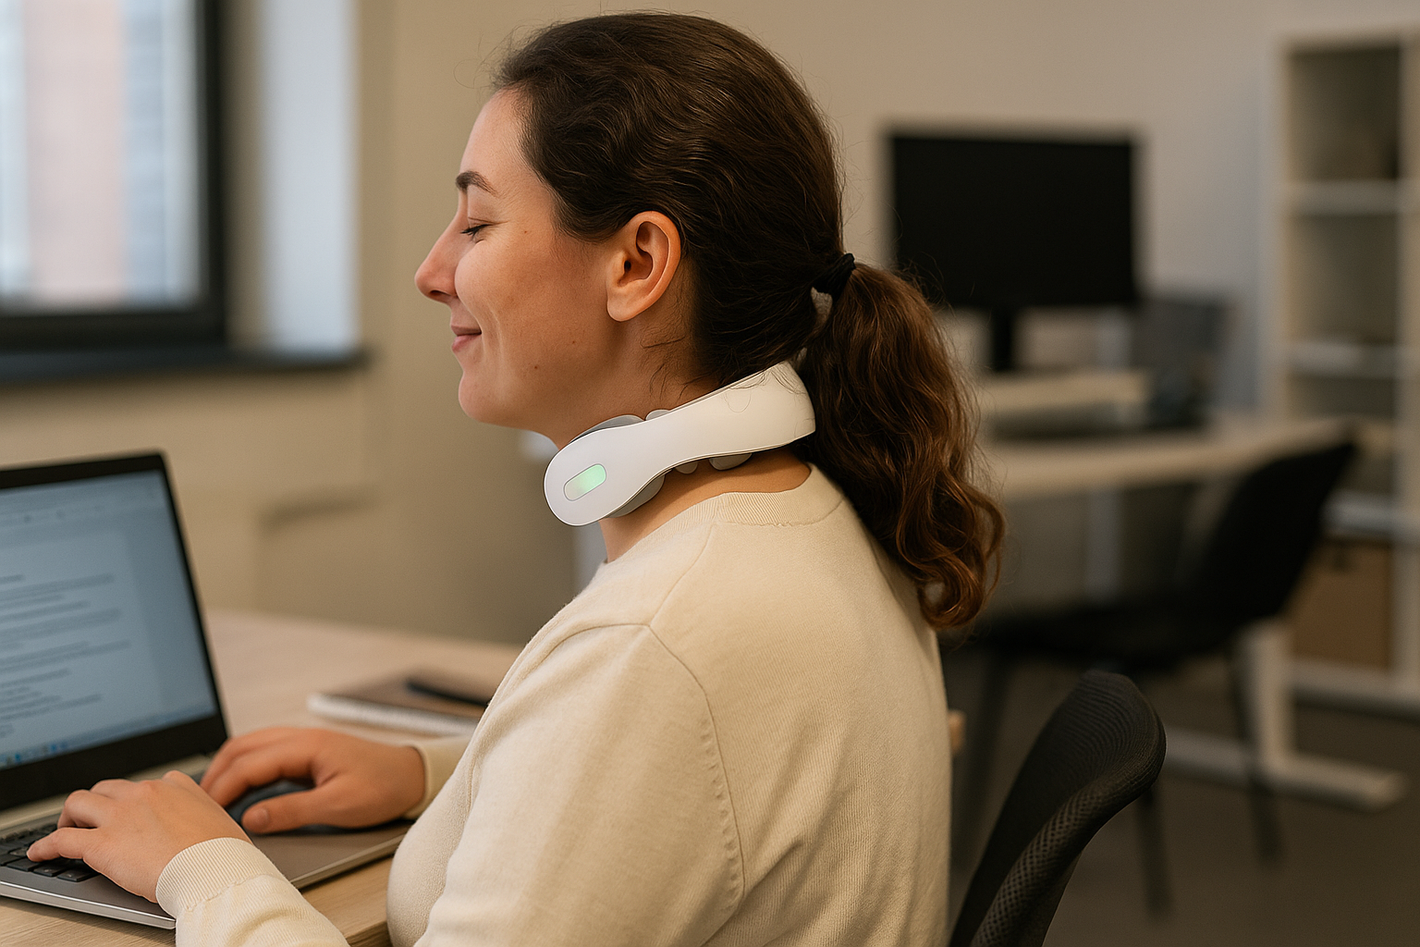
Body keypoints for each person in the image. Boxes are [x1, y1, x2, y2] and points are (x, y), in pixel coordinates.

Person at [29, 12, 1002, 946]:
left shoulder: (659, 641)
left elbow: (661, 716)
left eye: (477, 223)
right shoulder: (809, 510)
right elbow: (685, 786)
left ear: (636, 262)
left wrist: (201, 863)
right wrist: (438, 772)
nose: (430, 269)